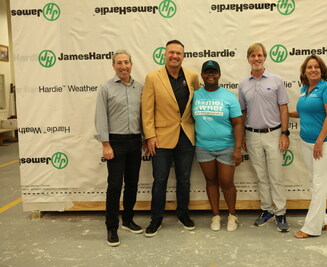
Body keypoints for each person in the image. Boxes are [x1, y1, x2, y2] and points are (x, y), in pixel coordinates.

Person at [141, 40, 201, 237]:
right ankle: (156, 219)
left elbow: (198, 104)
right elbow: (147, 110)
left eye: (179, 53)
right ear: (165, 55)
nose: (175, 56)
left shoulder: (192, 77)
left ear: (183, 56)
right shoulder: (152, 77)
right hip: (160, 138)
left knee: (184, 179)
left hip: (186, 136)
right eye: (171, 52)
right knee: (160, 180)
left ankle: (183, 214)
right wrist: (149, 135)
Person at [238, 43, 290, 232]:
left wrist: (284, 133)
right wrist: (242, 136)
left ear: (265, 57)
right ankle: (267, 210)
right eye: (252, 56)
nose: (256, 59)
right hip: (252, 135)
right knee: (261, 176)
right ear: (248, 59)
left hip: (274, 133)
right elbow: (242, 111)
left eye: (259, 55)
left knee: (275, 175)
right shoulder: (243, 84)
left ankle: (281, 212)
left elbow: (283, 108)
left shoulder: (276, 80)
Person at [94, 49, 144, 247]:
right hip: (114, 142)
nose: (123, 66)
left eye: (126, 62)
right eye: (119, 63)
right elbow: (100, 117)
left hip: (135, 141)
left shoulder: (139, 87)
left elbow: (144, 115)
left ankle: (128, 220)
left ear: (131, 64)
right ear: (113, 66)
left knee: (132, 183)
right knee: (115, 186)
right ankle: (111, 227)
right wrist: (105, 144)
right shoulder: (105, 88)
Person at [289, 55, 327, 238]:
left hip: (324, 143)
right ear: (304, 71)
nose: (313, 70)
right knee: (313, 182)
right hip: (306, 142)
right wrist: (285, 114)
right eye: (309, 67)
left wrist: (319, 142)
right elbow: (304, 112)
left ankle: (311, 228)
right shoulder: (305, 89)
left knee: (319, 184)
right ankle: (324, 220)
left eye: (316, 67)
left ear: (322, 69)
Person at [192, 60, 243, 232]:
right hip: (203, 147)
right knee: (211, 181)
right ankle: (215, 216)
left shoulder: (228, 96)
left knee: (227, 182)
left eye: (214, 72)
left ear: (219, 75)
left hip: (226, 147)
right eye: (207, 72)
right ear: (202, 75)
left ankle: (232, 215)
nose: (210, 75)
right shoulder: (195, 95)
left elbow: (237, 123)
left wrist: (237, 149)